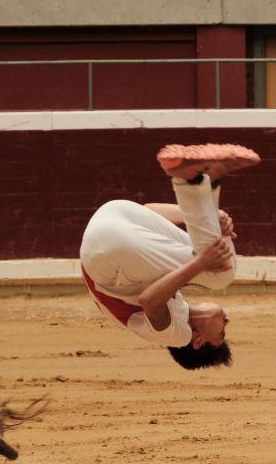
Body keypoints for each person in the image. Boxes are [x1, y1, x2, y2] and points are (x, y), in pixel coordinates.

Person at [78, 143, 260, 368]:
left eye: (222, 333)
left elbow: (150, 300)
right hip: (115, 219)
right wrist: (211, 218)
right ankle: (201, 182)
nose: (227, 321)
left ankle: (191, 182)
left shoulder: (176, 335)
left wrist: (200, 263)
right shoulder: (177, 302)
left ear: (198, 341)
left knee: (219, 273)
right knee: (211, 255)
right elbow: (148, 211)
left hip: (108, 252)